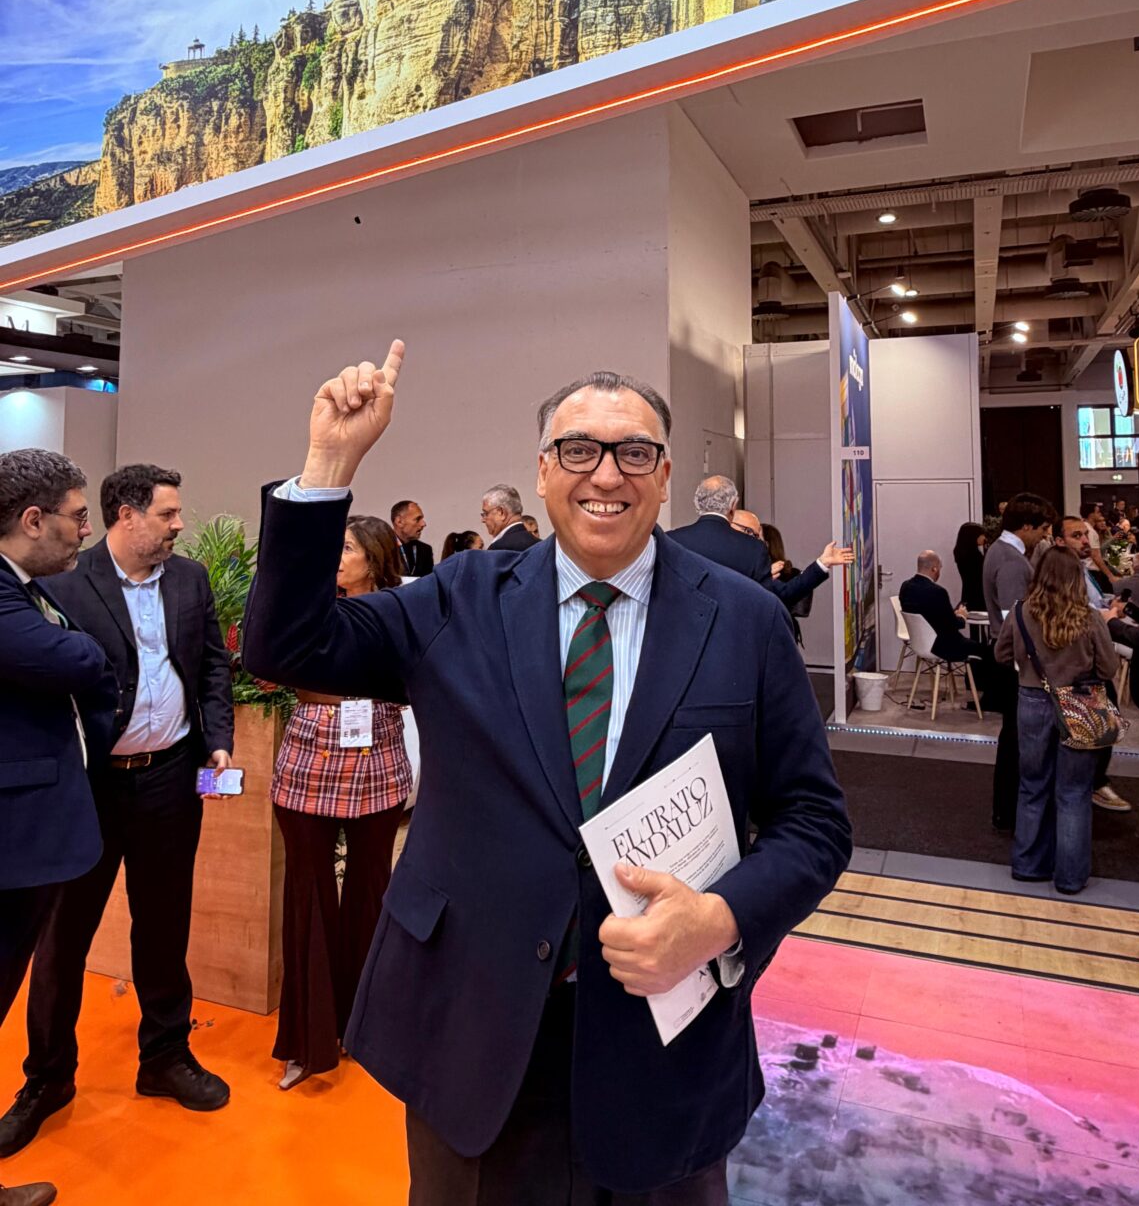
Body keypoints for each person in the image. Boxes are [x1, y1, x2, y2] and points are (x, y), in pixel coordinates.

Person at [242, 348, 851, 1203]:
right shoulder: (460, 596)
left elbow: (815, 824)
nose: (606, 473)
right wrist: (328, 467)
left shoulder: (744, 620)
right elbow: (287, 647)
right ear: (542, 470)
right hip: (473, 1027)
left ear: (666, 473)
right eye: (577, 449)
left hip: (662, 1042)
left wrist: (718, 920)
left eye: (633, 451)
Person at [0, 465, 236, 1158]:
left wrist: (217, 740)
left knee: (164, 926)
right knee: (63, 939)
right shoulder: (60, 583)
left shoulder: (190, 579)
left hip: (171, 778)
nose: (178, 525)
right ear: (125, 516)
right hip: (91, 784)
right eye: (167, 514)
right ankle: (47, 1078)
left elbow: (214, 668)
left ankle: (164, 1057)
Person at [0, 450, 118, 1206]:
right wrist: (91, 656)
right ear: (33, 519)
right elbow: (76, 655)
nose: (86, 528)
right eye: (77, 515)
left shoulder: (29, 590)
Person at [270, 514, 412, 1091]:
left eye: (347, 548)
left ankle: (369, 1023)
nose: (337, 557)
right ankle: (307, 1040)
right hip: (308, 758)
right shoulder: (312, 607)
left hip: (378, 758)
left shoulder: (402, 611)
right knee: (308, 894)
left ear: (374, 558)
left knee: (372, 891)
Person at [995, 548, 1118, 895]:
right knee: (1074, 793)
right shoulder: (1089, 617)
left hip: (1032, 701)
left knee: (1032, 786)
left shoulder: (1021, 612)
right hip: (1080, 703)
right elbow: (1109, 668)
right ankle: (1070, 877)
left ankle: (1028, 865)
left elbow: (1001, 655)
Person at [982, 491, 1057, 833]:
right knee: (1016, 741)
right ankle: (1011, 814)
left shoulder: (1002, 551)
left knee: (1014, 739)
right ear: (1026, 525)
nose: (1045, 535)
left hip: (1011, 658)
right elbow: (1018, 620)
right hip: (1015, 664)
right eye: (1042, 528)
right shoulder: (1011, 560)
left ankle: (1008, 811)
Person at [667, 476, 853, 609]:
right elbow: (784, 596)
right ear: (733, 506)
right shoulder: (752, 549)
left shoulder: (670, 541)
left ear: (697, 503)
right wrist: (822, 564)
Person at [1053, 517, 1131, 816]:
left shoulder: (1084, 573)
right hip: (1082, 668)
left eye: (1086, 535)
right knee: (1095, 732)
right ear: (1059, 541)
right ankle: (1090, 785)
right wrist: (1105, 616)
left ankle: (1092, 782)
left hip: (1090, 662)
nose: (1085, 540)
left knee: (1105, 727)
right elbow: (1076, 614)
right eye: (1077, 535)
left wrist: (1109, 607)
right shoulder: (1063, 576)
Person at [899, 551, 987, 681]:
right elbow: (952, 625)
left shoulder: (905, 587)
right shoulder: (938, 592)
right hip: (942, 645)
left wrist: (951, 615)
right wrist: (962, 616)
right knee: (987, 650)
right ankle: (984, 690)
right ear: (934, 568)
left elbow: (930, 615)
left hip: (918, 643)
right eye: (939, 568)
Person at [480, 485, 537, 552]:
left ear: (501, 513)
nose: (483, 520)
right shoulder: (540, 545)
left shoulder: (498, 549)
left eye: (486, 513)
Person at [391, 500, 433, 577]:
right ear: (399, 521)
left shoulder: (425, 550)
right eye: (417, 519)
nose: (423, 524)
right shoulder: (382, 549)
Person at [952, 523, 987, 612]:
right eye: (981, 535)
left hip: (968, 594)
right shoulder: (974, 557)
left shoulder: (960, 554)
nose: (984, 538)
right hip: (979, 596)